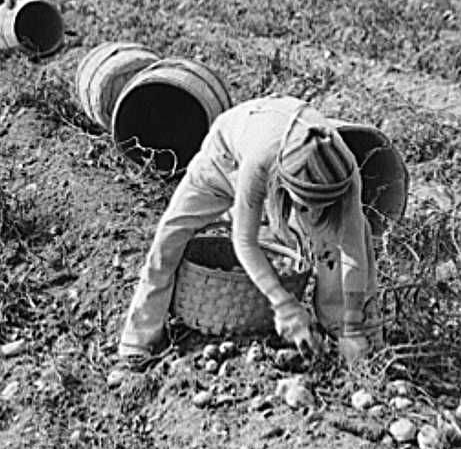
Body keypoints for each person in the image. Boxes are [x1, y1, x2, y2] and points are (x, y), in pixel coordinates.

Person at [115, 95, 383, 375]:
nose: (310, 212)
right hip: (227, 155)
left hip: (282, 141)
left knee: (347, 236)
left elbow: (353, 251)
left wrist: (353, 327)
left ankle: (350, 337)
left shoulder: (346, 171)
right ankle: (139, 338)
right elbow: (243, 240)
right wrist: (284, 304)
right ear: (281, 183)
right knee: (171, 233)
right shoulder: (260, 161)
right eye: (303, 204)